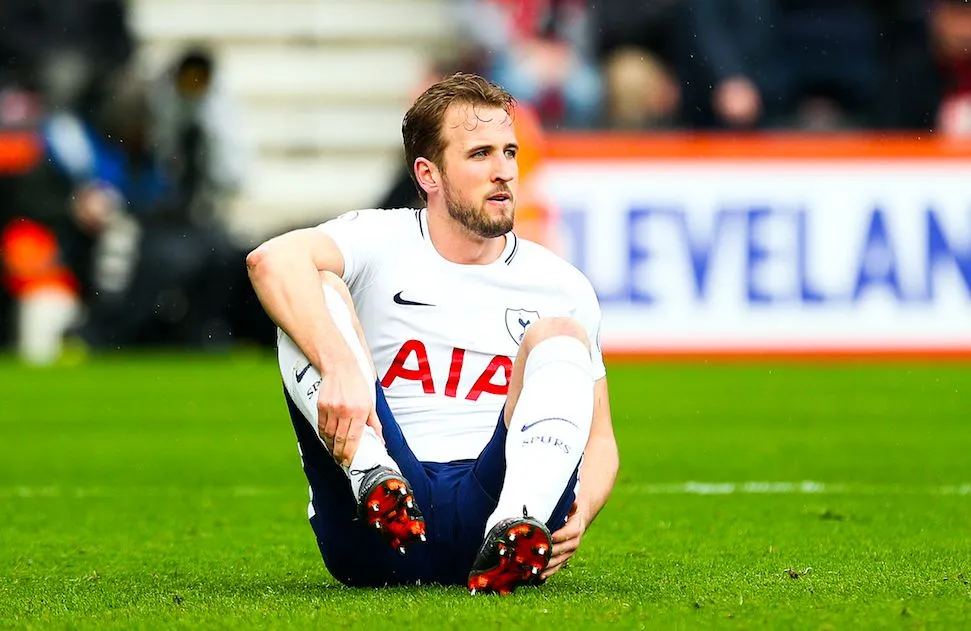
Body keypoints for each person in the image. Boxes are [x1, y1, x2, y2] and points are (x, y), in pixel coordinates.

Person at [246, 73, 618, 594]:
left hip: (495, 502)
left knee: (559, 334)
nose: (503, 171)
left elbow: (600, 439)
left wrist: (582, 510)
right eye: (480, 154)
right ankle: (374, 477)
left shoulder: (561, 283)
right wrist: (339, 364)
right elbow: (271, 261)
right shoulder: (380, 238)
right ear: (428, 174)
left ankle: (520, 524)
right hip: (375, 517)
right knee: (312, 291)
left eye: (509, 152)